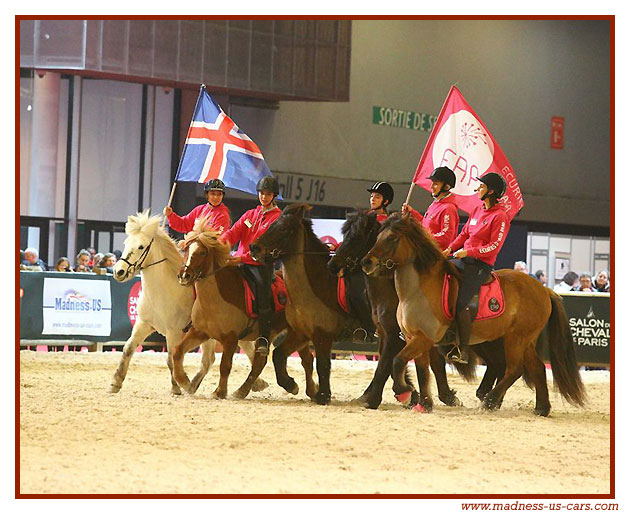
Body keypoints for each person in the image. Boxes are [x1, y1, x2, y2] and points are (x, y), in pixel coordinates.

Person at [442, 172, 510, 364]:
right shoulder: (477, 210)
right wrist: (449, 249)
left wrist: (469, 252)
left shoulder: (500, 216)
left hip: (480, 265)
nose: (476, 189)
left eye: (480, 186)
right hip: (462, 258)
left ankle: (462, 350)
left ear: (491, 191)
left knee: (461, 302)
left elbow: (494, 247)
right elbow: (464, 234)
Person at [221, 176, 282, 356]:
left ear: (274, 195)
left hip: (260, 265)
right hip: (238, 260)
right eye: (261, 193)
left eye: (268, 194)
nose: (264, 197)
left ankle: (263, 337)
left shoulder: (277, 218)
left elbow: (266, 248)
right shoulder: (250, 214)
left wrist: (242, 258)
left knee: (263, 290)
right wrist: (219, 244)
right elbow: (233, 233)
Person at [401, 166, 460, 251]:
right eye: (432, 183)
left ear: (446, 187)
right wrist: (411, 213)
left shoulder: (449, 208)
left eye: (435, 184)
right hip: (427, 249)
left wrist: (422, 237)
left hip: (436, 254)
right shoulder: (435, 204)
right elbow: (425, 225)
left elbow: (446, 237)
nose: (431, 186)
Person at [164, 179, 231, 235]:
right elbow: (183, 224)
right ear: (207, 195)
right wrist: (170, 215)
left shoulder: (223, 215)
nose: (216, 197)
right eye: (212, 194)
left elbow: (216, 238)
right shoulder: (199, 210)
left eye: (219, 194)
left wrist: (189, 240)